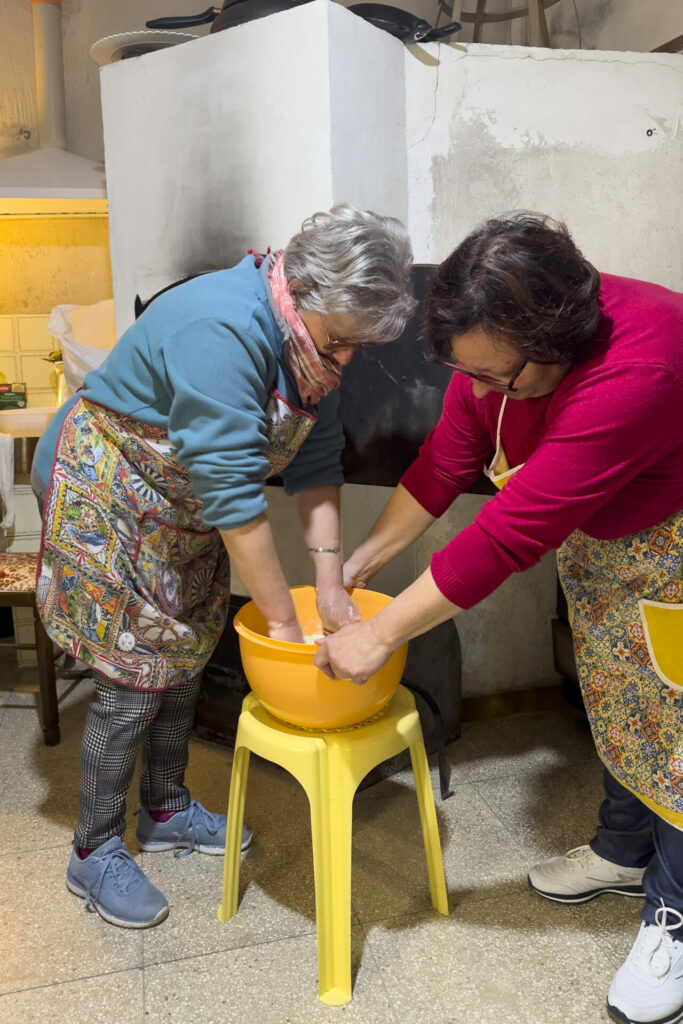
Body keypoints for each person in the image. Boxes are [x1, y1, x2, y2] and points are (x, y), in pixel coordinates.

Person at [313, 213, 683, 1024]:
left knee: (678, 730)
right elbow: (443, 462)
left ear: (555, 340)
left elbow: (508, 535)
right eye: (463, 372)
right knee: (621, 702)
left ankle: (674, 916)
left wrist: (377, 635)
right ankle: (623, 853)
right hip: (606, 545)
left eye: (498, 379)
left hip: (673, 552)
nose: (479, 393)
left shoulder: (641, 365)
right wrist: (357, 567)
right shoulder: (495, 342)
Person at [32, 204, 416, 929]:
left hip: (180, 506)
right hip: (109, 491)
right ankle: (94, 850)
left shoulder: (308, 344)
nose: (343, 363)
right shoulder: (223, 327)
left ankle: (167, 807)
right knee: (132, 679)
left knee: (185, 654)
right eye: (339, 344)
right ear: (301, 292)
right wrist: (284, 625)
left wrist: (329, 586)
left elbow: (313, 458)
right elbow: (236, 497)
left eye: (356, 349)